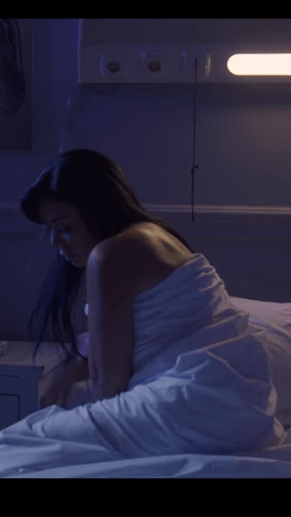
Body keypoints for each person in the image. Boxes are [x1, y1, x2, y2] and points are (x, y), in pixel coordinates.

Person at [22, 149, 198, 408]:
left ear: (99, 210)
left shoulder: (111, 254)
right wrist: (74, 370)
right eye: (50, 229)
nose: (55, 242)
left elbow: (109, 391)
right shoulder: (156, 234)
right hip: (221, 388)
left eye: (65, 228)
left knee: (27, 431)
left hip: (189, 396)